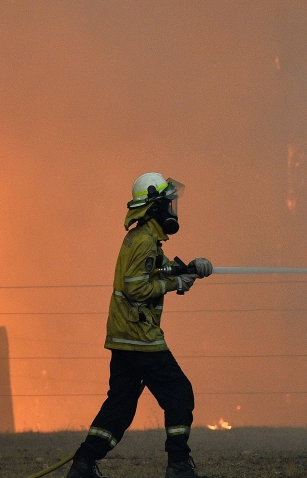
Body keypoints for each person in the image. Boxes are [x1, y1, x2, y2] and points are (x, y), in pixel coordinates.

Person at [66, 173, 213, 478]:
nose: (173, 210)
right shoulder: (145, 241)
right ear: (156, 207)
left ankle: (83, 463)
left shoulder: (144, 239)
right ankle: (179, 464)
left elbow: (159, 269)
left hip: (124, 336)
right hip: (140, 336)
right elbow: (136, 288)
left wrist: (189, 269)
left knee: (120, 404)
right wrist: (175, 284)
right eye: (169, 204)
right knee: (179, 394)